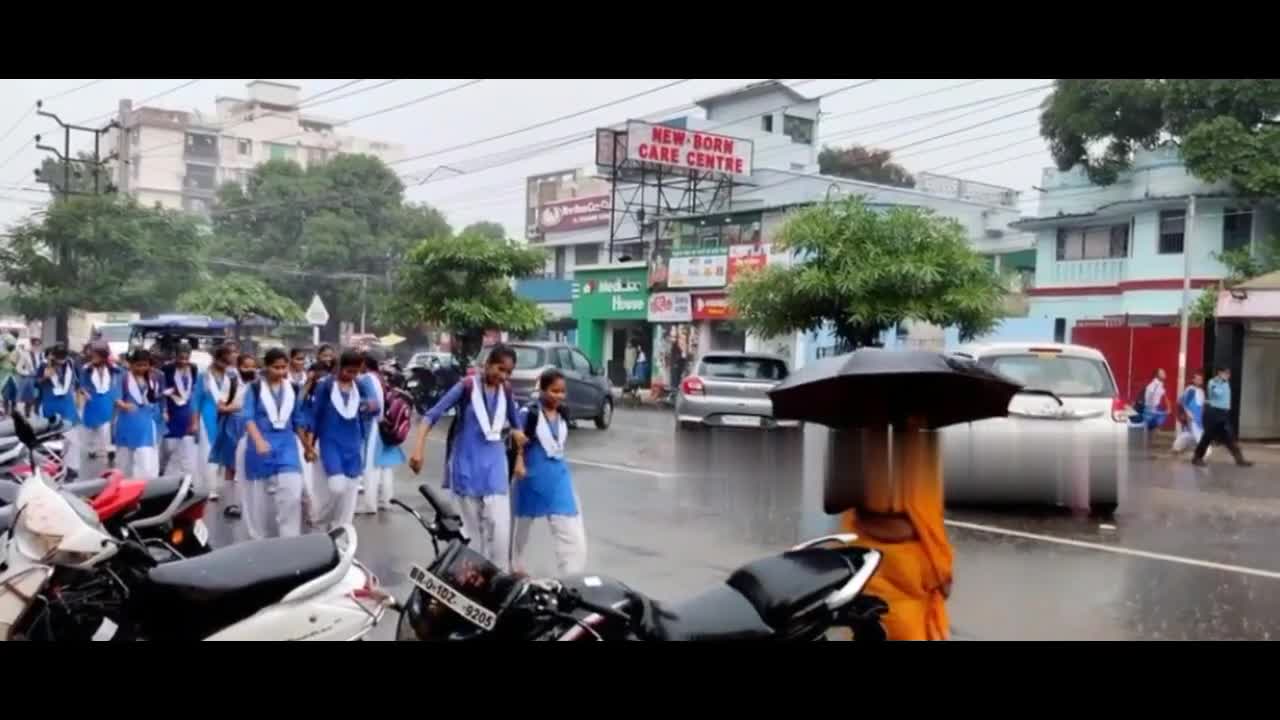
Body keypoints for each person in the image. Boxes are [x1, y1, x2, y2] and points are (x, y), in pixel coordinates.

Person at [408, 344, 527, 571]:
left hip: (496, 471)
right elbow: (430, 417)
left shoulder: (507, 391)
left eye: (508, 372)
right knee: (469, 537)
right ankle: (468, 584)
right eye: (500, 369)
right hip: (467, 469)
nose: (503, 376)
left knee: (500, 535)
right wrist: (418, 450)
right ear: (488, 364)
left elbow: (517, 426)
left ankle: (495, 586)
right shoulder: (467, 387)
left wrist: (519, 451)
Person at [837, 417, 952, 640]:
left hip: (870, 571)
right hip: (900, 582)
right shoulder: (921, 448)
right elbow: (922, 528)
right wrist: (941, 573)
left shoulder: (864, 440)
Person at [511, 369, 587, 575]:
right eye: (554, 391)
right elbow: (518, 440)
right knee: (520, 528)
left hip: (558, 477)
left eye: (562, 392)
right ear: (542, 390)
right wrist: (518, 462)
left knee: (569, 530)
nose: (559, 396)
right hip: (531, 478)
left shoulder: (563, 413)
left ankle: (571, 576)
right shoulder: (530, 414)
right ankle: (514, 567)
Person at [302, 350, 379, 531]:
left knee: (351, 490)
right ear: (340, 367)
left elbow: (376, 407)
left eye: (356, 372)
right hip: (330, 442)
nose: (351, 375)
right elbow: (315, 415)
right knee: (337, 487)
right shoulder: (326, 386)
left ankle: (341, 532)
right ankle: (320, 518)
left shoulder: (359, 386)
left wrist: (366, 405)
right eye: (348, 371)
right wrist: (309, 445)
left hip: (353, 443)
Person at [240, 348, 309, 539]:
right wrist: (259, 441)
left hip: (287, 447)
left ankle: (289, 539)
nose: (280, 371)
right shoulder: (254, 389)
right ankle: (260, 541)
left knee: (292, 494)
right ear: (266, 366)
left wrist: (308, 446)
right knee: (260, 502)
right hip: (260, 448)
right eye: (276, 367)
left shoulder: (293, 389)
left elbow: (297, 420)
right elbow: (248, 418)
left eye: (283, 367)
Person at [358, 351, 403, 514]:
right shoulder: (379, 378)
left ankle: (369, 504)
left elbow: (373, 404)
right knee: (384, 465)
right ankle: (386, 500)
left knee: (370, 466)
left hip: (372, 425)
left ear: (364, 364)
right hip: (383, 424)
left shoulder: (365, 379)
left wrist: (360, 407)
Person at [193, 344, 237, 499]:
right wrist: (195, 421)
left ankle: (223, 485)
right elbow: (196, 400)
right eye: (223, 361)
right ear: (216, 359)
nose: (225, 365)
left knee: (225, 449)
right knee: (208, 451)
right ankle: (209, 487)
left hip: (226, 416)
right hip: (208, 416)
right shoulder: (204, 376)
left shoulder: (232, 376)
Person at [114, 349, 162, 479]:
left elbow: (156, 398)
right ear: (131, 364)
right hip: (127, 422)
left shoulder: (152, 378)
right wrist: (123, 405)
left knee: (146, 460)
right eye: (138, 365)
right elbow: (116, 397)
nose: (142, 368)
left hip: (146, 422)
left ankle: (143, 489)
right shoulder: (123, 377)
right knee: (124, 461)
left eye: (145, 365)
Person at [35, 344, 82, 474]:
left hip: (67, 405)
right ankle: (50, 467)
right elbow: (36, 383)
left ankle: (72, 468)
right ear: (53, 355)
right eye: (58, 357)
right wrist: (45, 376)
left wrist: (79, 395)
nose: (61, 360)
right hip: (50, 404)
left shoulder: (70, 364)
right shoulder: (44, 365)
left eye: (63, 357)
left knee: (72, 438)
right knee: (51, 439)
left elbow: (77, 381)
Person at [1192, 367, 1253, 467]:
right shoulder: (1213, 382)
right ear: (1220, 373)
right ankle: (1197, 458)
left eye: (1229, 373)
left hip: (1223, 414)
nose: (1228, 375)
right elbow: (1217, 394)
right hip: (1214, 413)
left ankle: (1240, 460)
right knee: (1207, 437)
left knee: (1229, 437)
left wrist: (1223, 381)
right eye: (1226, 373)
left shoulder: (1226, 383)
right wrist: (1219, 380)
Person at [160, 343, 199, 478]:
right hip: (171, 406)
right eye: (180, 358)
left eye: (186, 358)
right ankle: (163, 469)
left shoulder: (193, 368)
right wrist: (165, 406)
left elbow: (192, 387)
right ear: (175, 356)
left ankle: (181, 475)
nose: (183, 361)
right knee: (169, 444)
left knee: (185, 443)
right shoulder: (167, 368)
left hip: (186, 407)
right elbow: (161, 389)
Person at [78, 342, 120, 465]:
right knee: (90, 427)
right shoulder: (87, 369)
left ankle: (109, 451)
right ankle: (91, 449)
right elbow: (81, 385)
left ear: (103, 356)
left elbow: (121, 376)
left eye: (96, 355)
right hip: (93, 399)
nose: (93, 358)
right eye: (93, 355)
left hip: (107, 399)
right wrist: (84, 392)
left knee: (106, 427)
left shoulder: (113, 368)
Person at [1172, 370, 1210, 458]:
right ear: (1193, 380)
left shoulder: (1201, 391)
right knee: (1201, 438)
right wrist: (1188, 416)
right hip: (1193, 419)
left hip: (1198, 420)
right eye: (1197, 379)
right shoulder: (1190, 390)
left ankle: (1176, 447)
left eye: (1201, 379)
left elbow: (1202, 406)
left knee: (1188, 435)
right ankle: (1204, 453)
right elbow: (1183, 403)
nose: (1200, 380)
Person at [14, 338, 38, 417]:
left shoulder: (39, 355)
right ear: (31, 345)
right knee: (27, 397)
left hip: (37, 378)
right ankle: (25, 413)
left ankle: (32, 413)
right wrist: (28, 373)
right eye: (35, 345)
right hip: (28, 379)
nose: (36, 347)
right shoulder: (25, 354)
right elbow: (18, 368)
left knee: (35, 397)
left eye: (38, 345)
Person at [0, 334, 17, 416]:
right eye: (9, 343)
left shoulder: (16, 352)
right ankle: (6, 412)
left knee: (14, 395)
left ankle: (14, 412)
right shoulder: (2, 352)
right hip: (4, 377)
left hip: (14, 377)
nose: (11, 345)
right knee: (5, 395)